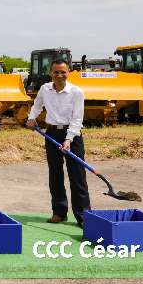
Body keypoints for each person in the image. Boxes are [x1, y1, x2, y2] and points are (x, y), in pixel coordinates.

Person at [26, 58, 91, 227]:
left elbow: (77, 119)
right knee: (55, 175)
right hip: (52, 133)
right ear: (51, 73)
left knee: (77, 176)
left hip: (73, 135)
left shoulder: (76, 92)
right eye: (56, 72)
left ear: (68, 73)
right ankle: (59, 212)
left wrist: (68, 140)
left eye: (63, 72)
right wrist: (32, 118)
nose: (59, 75)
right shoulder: (45, 89)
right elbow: (37, 105)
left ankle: (83, 216)